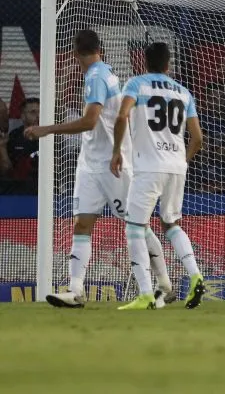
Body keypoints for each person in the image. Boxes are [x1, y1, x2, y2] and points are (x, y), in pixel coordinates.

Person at [27, 30, 173, 308]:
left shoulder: (97, 76)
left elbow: (89, 121)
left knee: (137, 225)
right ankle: (75, 290)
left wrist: (46, 129)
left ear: (73, 53)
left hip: (113, 165)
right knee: (82, 223)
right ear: (100, 49)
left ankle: (164, 283)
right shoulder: (102, 72)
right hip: (90, 163)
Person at [111, 42, 206, 310]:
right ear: (168, 64)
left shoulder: (136, 84)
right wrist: (181, 161)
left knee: (134, 227)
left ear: (144, 62)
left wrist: (117, 150)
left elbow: (121, 117)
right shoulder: (184, 92)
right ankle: (195, 274)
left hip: (149, 167)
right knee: (172, 224)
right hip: (176, 167)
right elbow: (197, 137)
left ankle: (144, 294)